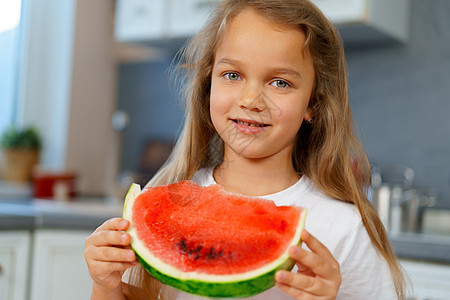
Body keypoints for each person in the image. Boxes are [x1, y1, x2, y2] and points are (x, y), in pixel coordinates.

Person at [84, 0, 407, 299]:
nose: (251, 100)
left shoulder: (344, 229)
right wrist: (105, 284)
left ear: (313, 103)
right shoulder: (167, 203)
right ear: (209, 85)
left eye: (280, 82)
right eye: (233, 75)